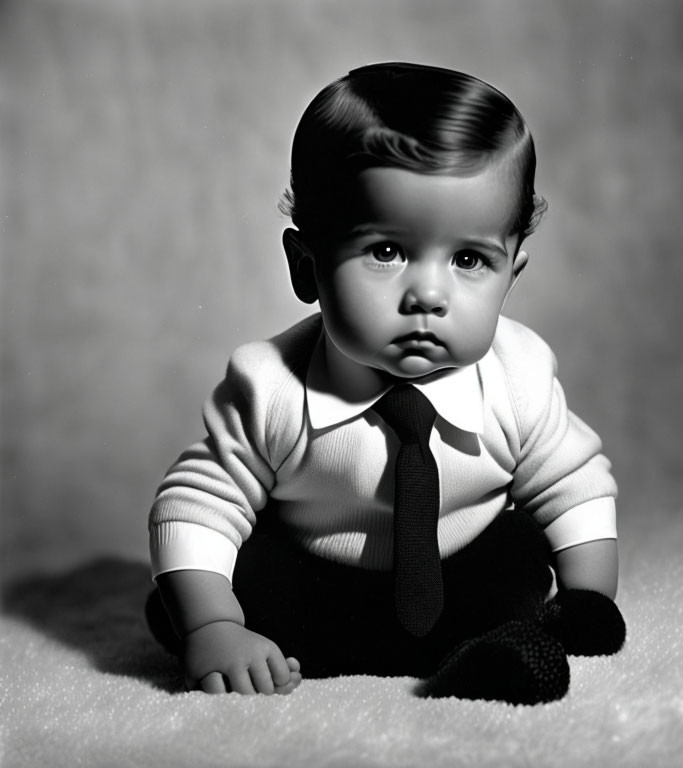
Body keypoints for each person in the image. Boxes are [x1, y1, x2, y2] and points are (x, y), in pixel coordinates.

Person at [145, 62, 625, 704]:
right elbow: (197, 503)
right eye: (386, 252)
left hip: (462, 585)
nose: (427, 294)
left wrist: (587, 602)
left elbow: (575, 486)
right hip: (318, 596)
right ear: (306, 267)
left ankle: (495, 654)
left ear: (513, 272)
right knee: (232, 574)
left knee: (514, 555)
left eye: (469, 259)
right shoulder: (272, 388)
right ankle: (212, 630)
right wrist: (213, 621)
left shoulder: (519, 377)